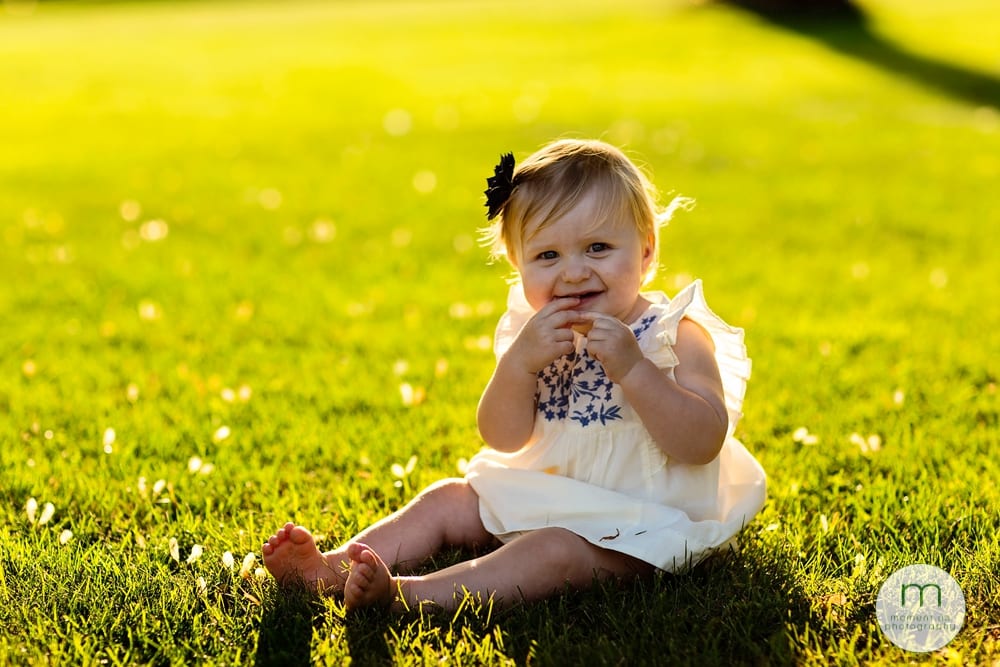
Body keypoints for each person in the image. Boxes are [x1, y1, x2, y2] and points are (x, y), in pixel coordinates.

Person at [262, 138, 766, 612]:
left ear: (647, 251)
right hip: (543, 491)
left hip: (635, 525)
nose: (572, 272)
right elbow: (502, 437)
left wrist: (635, 370)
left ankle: (408, 597)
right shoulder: (535, 334)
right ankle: (331, 569)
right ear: (517, 264)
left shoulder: (672, 334)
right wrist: (520, 364)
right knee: (448, 500)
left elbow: (702, 441)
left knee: (552, 552)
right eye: (548, 256)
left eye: (597, 248)